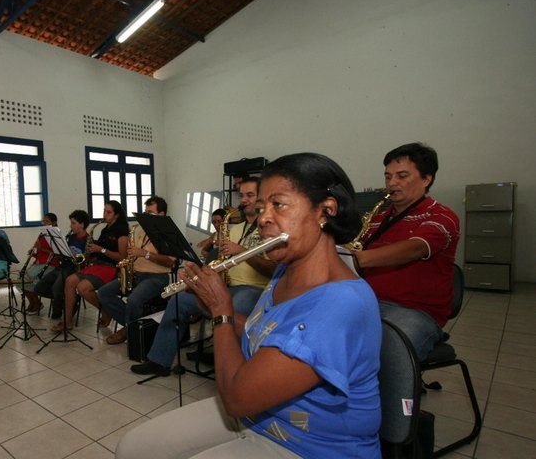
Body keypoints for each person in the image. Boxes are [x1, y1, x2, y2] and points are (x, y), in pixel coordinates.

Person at [116, 153, 382, 458]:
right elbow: (264, 333)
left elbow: (236, 399)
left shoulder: (341, 302)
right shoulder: (285, 270)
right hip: (259, 417)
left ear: (326, 210)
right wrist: (210, 302)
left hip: (309, 445)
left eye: (278, 204)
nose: (264, 218)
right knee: (133, 448)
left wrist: (222, 312)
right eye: (261, 207)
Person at [130, 178, 275, 376]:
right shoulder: (235, 229)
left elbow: (273, 270)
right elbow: (221, 262)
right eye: (242, 195)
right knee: (179, 299)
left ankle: (234, 372)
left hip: (255, 289)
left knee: (236, 305)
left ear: (262, 197)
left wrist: (241, 251)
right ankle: (159, 361)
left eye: (250, 195)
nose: (244, 200)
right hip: (228, 286)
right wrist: (201, 278)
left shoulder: (270, 228)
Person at [352, 142, 460, 361]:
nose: (392, 183)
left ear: (426, 179)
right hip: (369, 303)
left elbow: (415, 248)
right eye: (388, 176)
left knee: (388, 351)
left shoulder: (442, 216)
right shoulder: (376, 219)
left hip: (416, 311)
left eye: (402, 176)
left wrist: (357, 259)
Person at [98, 196, 175, 345]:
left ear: (161, 214)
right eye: (145, 212)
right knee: (103, 293)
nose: (145, 216)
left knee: (133, 300)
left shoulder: (168, 234)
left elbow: (169, 262)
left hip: (156, 278)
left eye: (150, 212)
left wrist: (145, 254)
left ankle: (128, 330)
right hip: (135, 274)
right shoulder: (142, 232)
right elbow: (134, 253)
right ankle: (133, 326)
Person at [52, 201, 129, 332]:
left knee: (82, 288)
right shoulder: (105, 229)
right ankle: (67, 321)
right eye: (104, 211)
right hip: (98, 265)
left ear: (116, 215)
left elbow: (122, 257)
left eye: (108, 212)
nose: (105, 214)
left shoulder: (122, 231)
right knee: (69, 281)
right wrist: (91, 253)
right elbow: (100, 251)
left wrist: (101, 250)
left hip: (111, 268)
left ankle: (105, 311)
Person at [34, 209, 90, 319]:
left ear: (82, 224)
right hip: (62, 267)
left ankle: (60, 307)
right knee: (39, 288)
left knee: (56, 288)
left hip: (74, 269)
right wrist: (58, 251)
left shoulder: (88, 239)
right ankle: (68, 299)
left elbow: (86, 259)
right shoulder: (70, 237)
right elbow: (64, 253)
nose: (70, 226)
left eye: (73, 223)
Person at [21, 212, 58, 314]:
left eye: (47, 221)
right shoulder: (42, 235)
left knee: (29, 280)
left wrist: (41, 248)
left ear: (54, 223)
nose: (44, 223)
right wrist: (34, 254)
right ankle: (34, 302)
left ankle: (36, 304)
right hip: (39, 263)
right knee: (21, 279)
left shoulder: (56, 235)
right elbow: (40, 254)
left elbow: (57, 253)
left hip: (51, 264)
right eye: (43, 221)